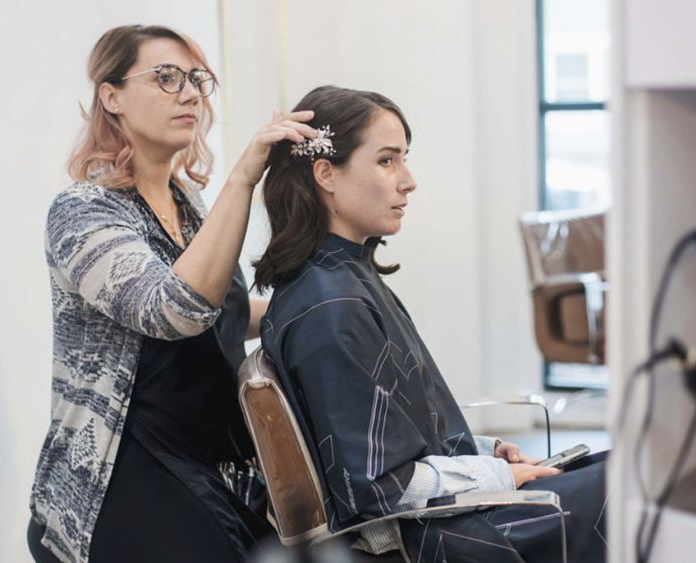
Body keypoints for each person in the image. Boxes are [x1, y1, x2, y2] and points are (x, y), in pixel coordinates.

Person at [255, 86, 607, 563]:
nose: (409, 181)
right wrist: (497, 476)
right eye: (387, 160)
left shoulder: (343, 279)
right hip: (444, 538)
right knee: (638, 483)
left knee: (622, 468)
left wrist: (486, 451)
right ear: (326, 174)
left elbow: (396, 438)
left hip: (452, 517)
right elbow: (380, 488)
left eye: (404, 159)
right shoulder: (332, 308)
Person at [27, 25, 320, 563]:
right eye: (166, 77)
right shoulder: (83, 211)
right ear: (111, 96)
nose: (189, 94)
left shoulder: (187, 205)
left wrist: (319, 307)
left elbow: (226, 312)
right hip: (125, 469)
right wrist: (243, 179)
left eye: (195, 79)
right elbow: (174, 310)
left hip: (204, 460)